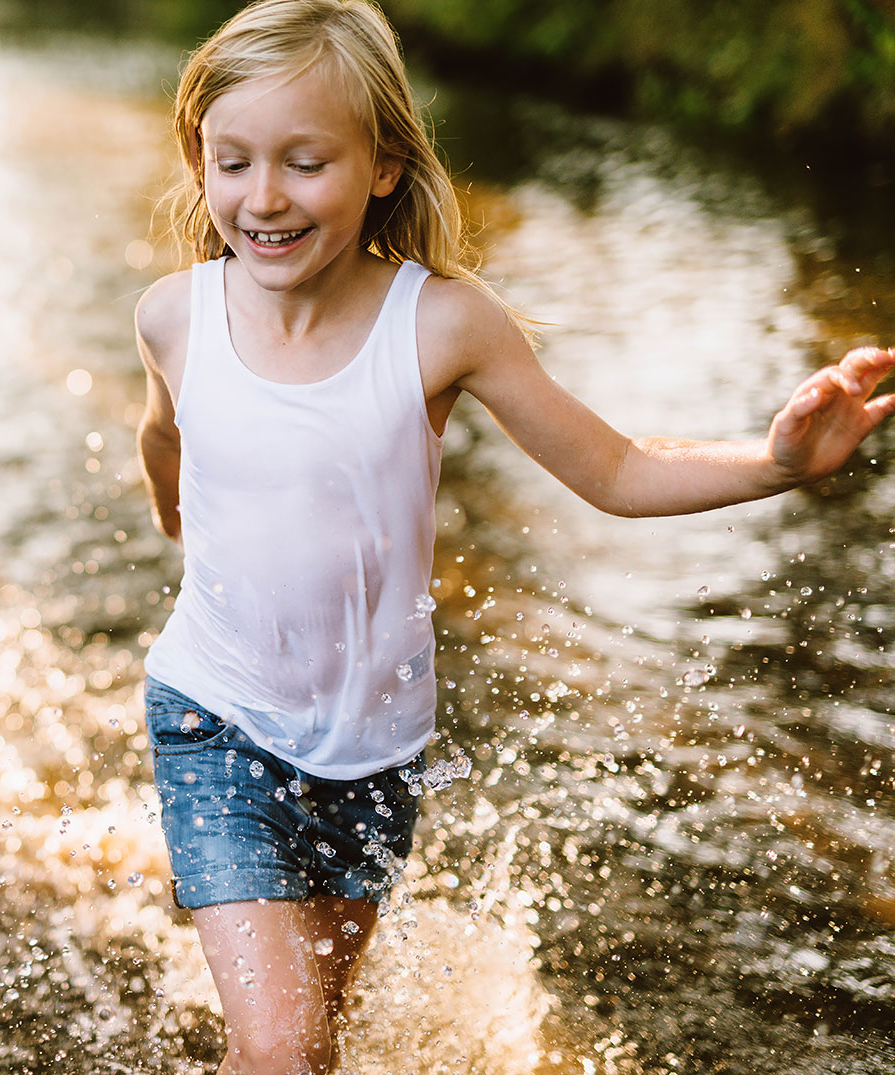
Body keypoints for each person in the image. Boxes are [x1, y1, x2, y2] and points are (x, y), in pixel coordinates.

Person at [132, 2, 895, 1072]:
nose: (263, 198)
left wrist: (771, 464)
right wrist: (178, 519)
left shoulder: (440, 323)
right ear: (200, 163)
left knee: (323, 1043)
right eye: (233, 162)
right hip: (213, 717)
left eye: (304, 163)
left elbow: (617, 469)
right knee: (282, 1051)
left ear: (384, 165)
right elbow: (164, 432)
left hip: (375, 754)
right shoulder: (175, 314)